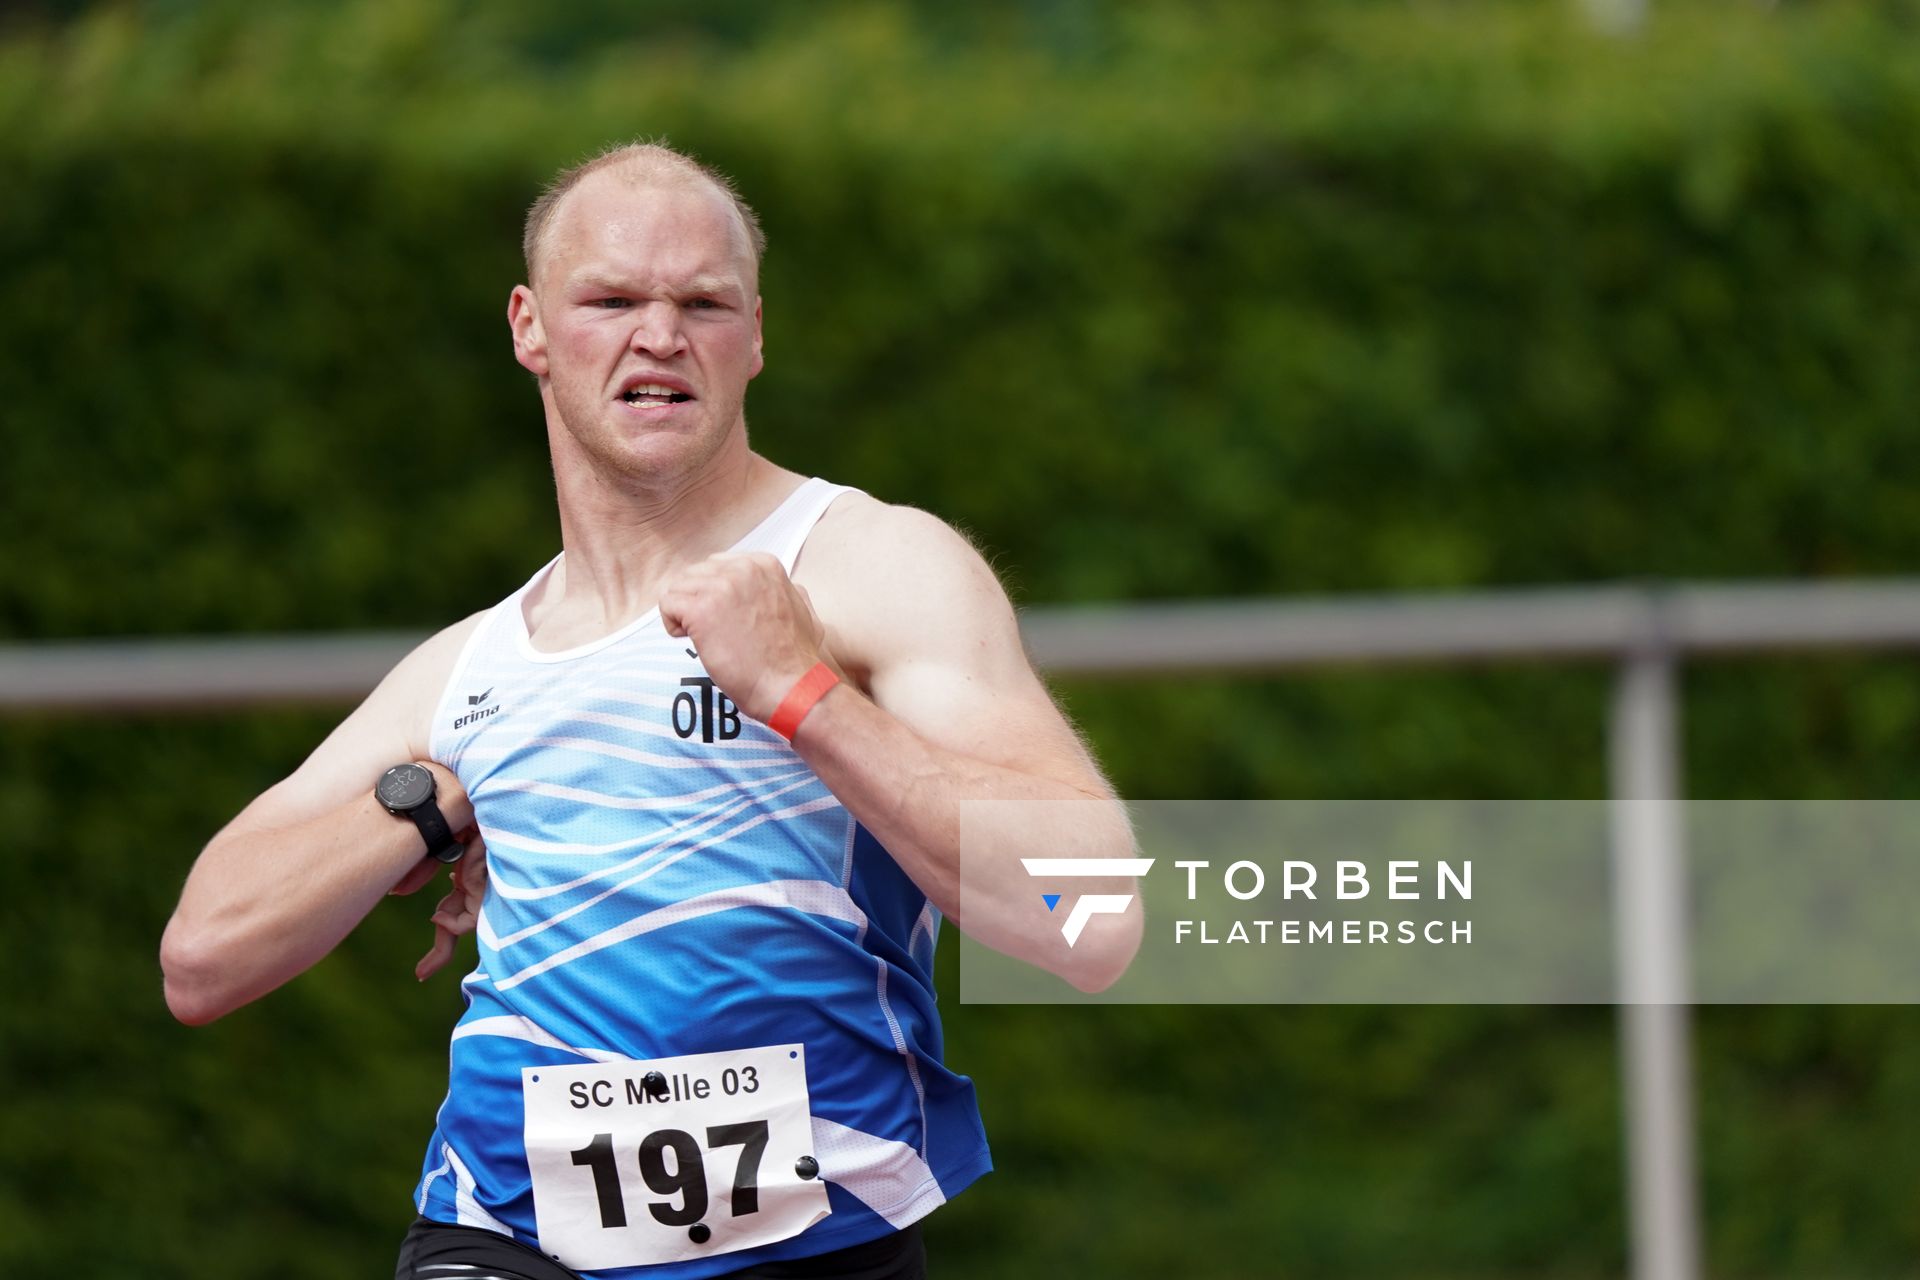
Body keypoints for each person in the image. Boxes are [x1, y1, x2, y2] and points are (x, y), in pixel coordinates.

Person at [160, 141, 1142, 1280]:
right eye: (613, 299)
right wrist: (437, 802)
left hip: (818, 1244)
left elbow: (1095, 917)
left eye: (703, 303)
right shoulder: (475, 666)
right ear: (530, 327)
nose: (661, 335)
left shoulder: (869, 565)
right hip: (503, 1235)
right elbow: (202, 958)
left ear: (757, 334)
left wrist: (803, 693)